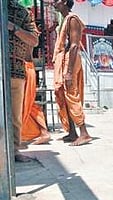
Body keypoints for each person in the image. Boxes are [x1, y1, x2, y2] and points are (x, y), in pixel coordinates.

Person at [53, 0, 92, 146]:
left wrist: (69, 72)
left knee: (71, 94)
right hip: (63, 60)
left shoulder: (73, 19)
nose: (53, 3)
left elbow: (75, 46)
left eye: (56, 0)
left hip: (70, 61)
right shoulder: (64, 20)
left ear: (64, 1)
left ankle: (84, 133)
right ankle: (72, 132)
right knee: (63, 94)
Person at [8, 0, 39, 162]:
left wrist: (13, 27)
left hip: (15, 70)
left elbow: (34, 40)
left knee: (15, 116)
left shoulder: (22, 12)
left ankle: (13, 150)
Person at [21, 13, 51, 145]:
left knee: (27, 104)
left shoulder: (28, 33)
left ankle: (44, 132)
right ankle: (43, 132)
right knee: (29, 104)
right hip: (26, 68)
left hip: (25, 68)